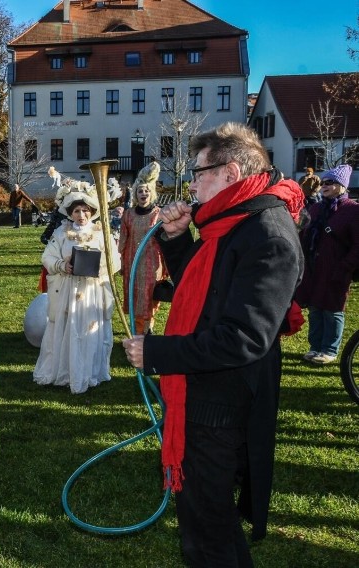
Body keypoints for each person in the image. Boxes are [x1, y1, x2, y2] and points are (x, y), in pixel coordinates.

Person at [121, 123, 304, 566]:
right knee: (205, 522)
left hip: (222, 406)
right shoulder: (233, 225)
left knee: (210, 530)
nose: (192, 184)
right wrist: (181, 238)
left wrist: (159, 353)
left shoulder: (267, 235)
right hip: (206, 398)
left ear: (231, 172)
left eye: (200, 172)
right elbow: (207, 297)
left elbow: (243, 337)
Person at [33, 184, 115, 394]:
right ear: (70, 213)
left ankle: (90, 371)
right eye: (77, 211)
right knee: (67, 326)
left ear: (92, 212)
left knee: (89, 327)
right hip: (68, 289)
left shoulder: (101, 233)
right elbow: (48, 256)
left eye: (85, 210)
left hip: (92, 291)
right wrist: (63, 265)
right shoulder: (61, 232)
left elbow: (115, 259)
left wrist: (98, 265)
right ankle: (66, 371)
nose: (81, 215)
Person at [294, 163, 359, 365]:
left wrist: (345, 267)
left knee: (332, 309)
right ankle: (315, 347)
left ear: (342, 185)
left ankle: (329, 350)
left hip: (337, 269)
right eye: (324, 182)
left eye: (331, 182)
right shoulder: (315, 207)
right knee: (315, 308)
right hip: (314, 268)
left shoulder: (353, 210)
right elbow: (302, 233)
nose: (325, 185)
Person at [118, 161, 167, 334]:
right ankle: (136, 327)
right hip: (132, 260)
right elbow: (123, 239)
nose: (143, 194)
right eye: (140, 191)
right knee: (134, 293)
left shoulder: (159, 214)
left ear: (151, 193)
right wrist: (120, 262)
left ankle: (148, 328)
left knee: (148, 294)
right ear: (135, 195)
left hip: (152, 262)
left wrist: (166, 266)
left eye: (146, 191)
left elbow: (165, 239)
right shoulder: (128, 215)